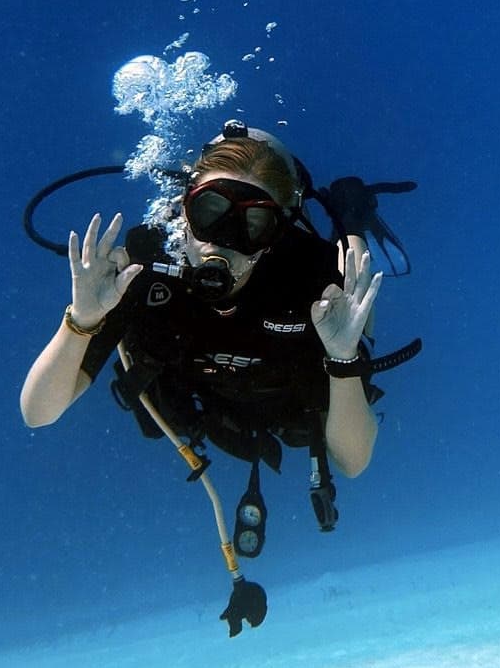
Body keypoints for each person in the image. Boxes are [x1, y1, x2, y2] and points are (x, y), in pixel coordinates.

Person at [20, 124, 397, 635]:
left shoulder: (310, 278)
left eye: (254, 225)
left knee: (352, 273)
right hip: (208, 408)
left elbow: (351, 463)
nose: (225, 244)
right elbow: (37, 413)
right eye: (210, 213)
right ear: (183, 210)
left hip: (286, 405)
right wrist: (83, 319)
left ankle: (350, 219)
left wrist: (342, 354)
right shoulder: (142, 269)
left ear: (277, 233)